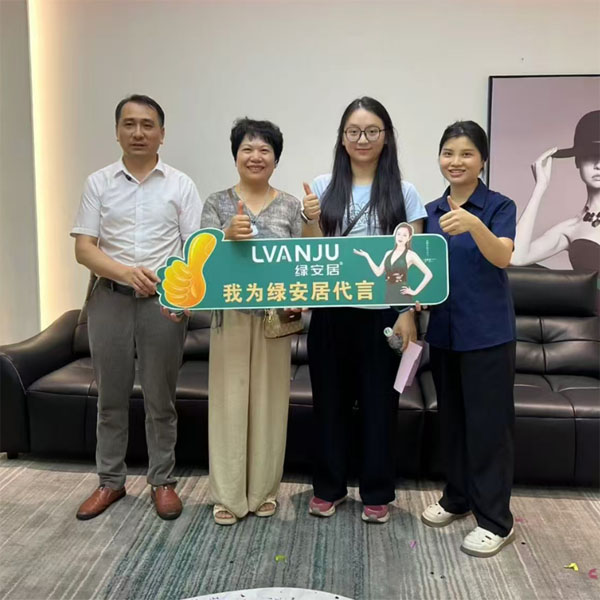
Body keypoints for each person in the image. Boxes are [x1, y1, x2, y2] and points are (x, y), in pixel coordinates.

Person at [71, 94, 202, 521]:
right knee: (110, 398)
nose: (138, 132)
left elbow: (195, 251)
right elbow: (84, 249)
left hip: (162, 303)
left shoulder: (180, 185)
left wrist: (183, 298)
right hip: (109, 299)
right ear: (117, 132)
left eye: (148, 125)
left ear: (162, 133)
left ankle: (162, 481)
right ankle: (110, 481)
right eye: (129, 124)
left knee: (160, 399)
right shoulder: (98, 183)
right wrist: (126, 273)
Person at [301, 97, 426, 524]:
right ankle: (328, 488)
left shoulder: (405, 192)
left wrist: (405, 312)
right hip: (332, 312)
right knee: (329, 405)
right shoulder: (322, 187)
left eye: (372, 131)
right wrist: (310, 218)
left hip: (383, 314)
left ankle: (376, 492)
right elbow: (310, 255)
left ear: (386, 137)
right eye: (353, 131)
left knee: (379, 407)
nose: (362, 139)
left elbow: (411, 258)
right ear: (342, 139)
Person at [420, 121, 517, 557]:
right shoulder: (430, 211)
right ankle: (457, 498)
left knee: (489, 429)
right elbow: (419, 271)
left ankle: (496, 521)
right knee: (453, 422)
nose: (455, 162)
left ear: (483, 160)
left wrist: (475, 224)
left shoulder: (499, 206)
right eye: (448, 153)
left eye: (466, 153)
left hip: (488, 335)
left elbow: (503, 256)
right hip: (444, 332)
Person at [200, 118, 302, 525]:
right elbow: (200, 261)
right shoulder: (216, 203)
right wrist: (225, 234)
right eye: (247, 148)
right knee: (228, 405)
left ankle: (263, 492)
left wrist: (313, 221)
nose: (255, 156)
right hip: (230, 318)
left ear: (275, 159)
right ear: (235, 156)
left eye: (264, 150)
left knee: (270, 407)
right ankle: (227, 497)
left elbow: (305, 261)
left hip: (275, 320)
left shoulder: (290, 205)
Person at [511, 110, 600, 273]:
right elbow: (516, 258)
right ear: (577, 161)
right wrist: (540, 187)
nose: (598, 165)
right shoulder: (571, 228)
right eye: (590, 156)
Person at [354, 222, 432, 304]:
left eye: (404, 235)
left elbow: (429, 274)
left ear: (409, 238)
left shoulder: (411, 255)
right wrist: (367, 256)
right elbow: (378, 272)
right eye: (398, 234)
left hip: (403, 294)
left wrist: (415, 292)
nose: (400, 237)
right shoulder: (388, 253)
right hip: (389, 293)